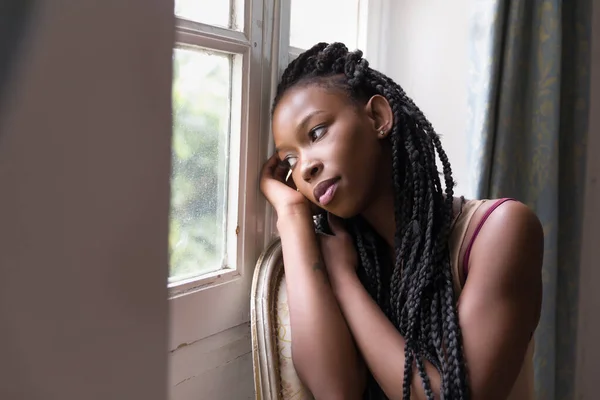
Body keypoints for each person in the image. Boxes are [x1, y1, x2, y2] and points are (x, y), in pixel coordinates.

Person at [260, 42, 543, 400]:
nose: (305, 167)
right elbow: (336, 392)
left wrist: (345, 282)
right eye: (289, 161)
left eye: (316, 133)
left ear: (378, 118)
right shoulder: (350, 250)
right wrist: (293, 215)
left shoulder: (501, 231)